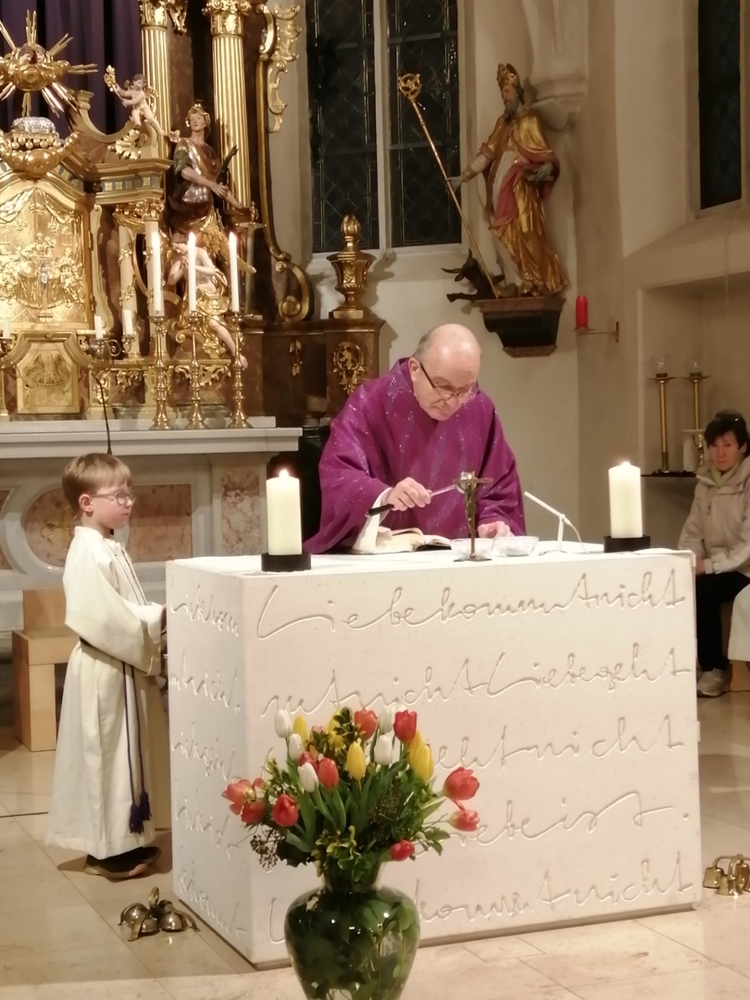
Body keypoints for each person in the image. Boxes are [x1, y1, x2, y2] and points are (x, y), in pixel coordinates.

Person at [45, 454, 169, 878]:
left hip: (119, 665)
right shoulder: (87, 551)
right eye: (118, 495)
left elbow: (123, 605)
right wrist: (155, 619)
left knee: (124, 759)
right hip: (102, 668)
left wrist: (150, 617)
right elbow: (98, 615)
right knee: (106, 759)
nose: (128, 502)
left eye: (129, 493)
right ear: (87, 503)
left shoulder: (107, 545)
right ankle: (105, 851)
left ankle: (127, 838)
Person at [305, 324, 525, 553]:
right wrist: (384, 495)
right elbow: (339, 474)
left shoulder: (479, 407)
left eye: (464, 390)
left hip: (458, 558)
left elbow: (498, 486)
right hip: (389, 556)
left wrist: (493, 521)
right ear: (414, 368)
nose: (452, 401)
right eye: (442, 386)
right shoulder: (369, 403)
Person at [452, 63, 567, 296]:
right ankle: (517, 281)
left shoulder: (530, 120)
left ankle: (536, 280)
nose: (504, 97)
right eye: (502, 93)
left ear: (517, 91)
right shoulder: (502, 124)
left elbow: (544, 152)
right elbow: (487, 155)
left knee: (526, 230)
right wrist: (463, 177)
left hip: (521, 184)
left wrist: (547, 166)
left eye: (507, 91)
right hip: (500, 184)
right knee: (501, 233)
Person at [678, 410, 750, 697]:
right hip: (716, 564)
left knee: (705, 590)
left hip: (744, 566)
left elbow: (747, 545)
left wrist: (708, 565)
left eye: (727, 445)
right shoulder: (705, 484)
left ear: (742, 447)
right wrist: (690, 560)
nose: (720, 453)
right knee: (683, 584)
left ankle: (714, 670)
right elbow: (693, 531)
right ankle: (684, 662)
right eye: (714, 446)